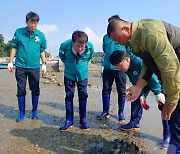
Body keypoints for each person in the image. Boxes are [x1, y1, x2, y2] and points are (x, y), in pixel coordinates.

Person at [107, 18, 180, 153]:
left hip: (175, 75)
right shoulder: (137, 39)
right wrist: (138, 87)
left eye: (117, 39)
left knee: (174, 120)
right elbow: (149, 63)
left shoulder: (150, 34)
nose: (119, 43)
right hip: (170, 76)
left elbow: (171, 67)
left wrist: (172, 100)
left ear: (125, 29)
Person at [110, 49, 170, 149]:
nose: (119, 68)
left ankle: (167, 134)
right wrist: (141, 95)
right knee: (135, 98)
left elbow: (153, 78)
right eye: (117, 67)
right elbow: (135, 81)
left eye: (120, 65)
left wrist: (157, 93)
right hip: (141, 83)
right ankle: (134, 123)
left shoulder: (137, 61)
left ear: (127, 59)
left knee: (163, 106)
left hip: (158, 80)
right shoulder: (126, 69)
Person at [8, 12, 47, 122]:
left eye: (35, 23)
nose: (33, 25)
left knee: (35, 89)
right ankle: (22, 113)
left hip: (34, 67)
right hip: (20, 66)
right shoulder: (19, 32)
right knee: (21, 89)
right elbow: (14, 47)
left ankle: (34, 111)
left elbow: (42, 50)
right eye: (31, 22)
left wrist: (44, 63)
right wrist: (10, 62)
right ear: (26, 22)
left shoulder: (41, 35)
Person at [59, 30, 94, 131]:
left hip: (82, 76)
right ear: (72, 42)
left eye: (82, 46)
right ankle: (69, 121)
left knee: (83, 96)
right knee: (69, 96)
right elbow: (62, 57)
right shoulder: (64, 46)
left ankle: (83, 121)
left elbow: (89, 57)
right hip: (69, 75)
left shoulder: (90, 47)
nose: (79, 49)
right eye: (77, 46)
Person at [97, 15, 127, 124]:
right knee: (105, 89)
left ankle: (121, 113)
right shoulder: (105, 37)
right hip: (108, 68)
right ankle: (105, 111)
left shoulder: (123, 36)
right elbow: (105, 50)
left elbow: (128, 50)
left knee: (121, 91)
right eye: (109, 24)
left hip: (120, 69)